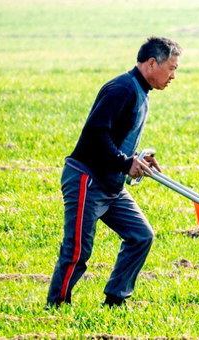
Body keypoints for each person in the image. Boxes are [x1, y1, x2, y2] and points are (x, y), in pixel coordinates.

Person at [46, 36, 182, 307]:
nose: (174, 75)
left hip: (112, 185)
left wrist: (139, 158)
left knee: (141, 236)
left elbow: (117, 138)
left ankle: (115, 300)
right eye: (172, 68)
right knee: (77, 251)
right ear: (152, 63)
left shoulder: (141, 92)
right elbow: (95, 135)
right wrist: (125, 163)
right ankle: (56, 306)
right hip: (87, 179)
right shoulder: (122, 89)